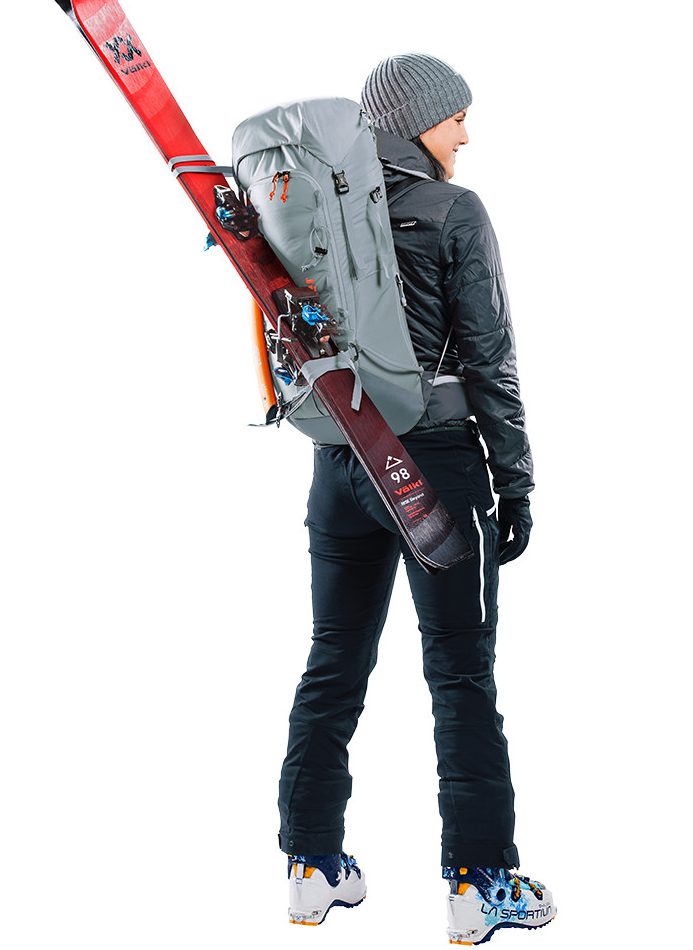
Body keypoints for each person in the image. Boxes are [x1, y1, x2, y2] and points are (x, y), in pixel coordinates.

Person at [278, 54, 555, 944]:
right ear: (418, 119)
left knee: (332, 662)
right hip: (433, 469)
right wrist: (515, 481)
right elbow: (489, 358)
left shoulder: (316, 211)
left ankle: (311, 869)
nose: (466, 134)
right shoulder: (451, 210)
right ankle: (481, 884)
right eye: (456, 116)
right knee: (461, 674)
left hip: (341, 463)